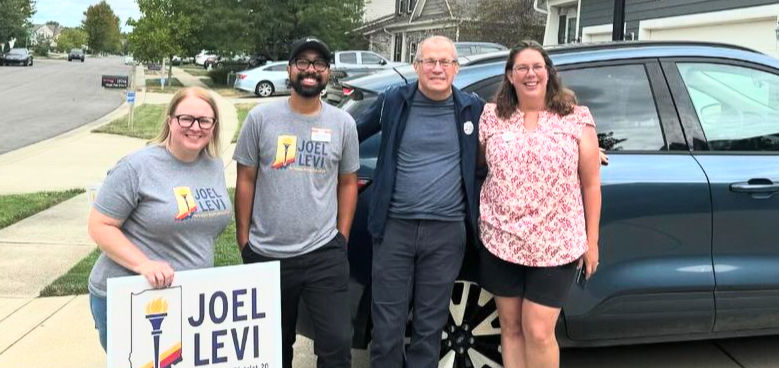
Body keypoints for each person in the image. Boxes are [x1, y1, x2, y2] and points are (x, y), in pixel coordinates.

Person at [356, 35, 484, 368]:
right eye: (430, 61)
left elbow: (520, 133)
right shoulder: (393, 101)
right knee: (386, 330)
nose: (438, 68)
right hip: (394, 228)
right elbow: (350, 132)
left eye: (445, 62)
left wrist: (583, 146)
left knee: (429, 330)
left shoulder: (473, 107)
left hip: (447, 233)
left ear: (456, 68)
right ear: (417, 66)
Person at [233, 36, 360, 368]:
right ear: (289, 69)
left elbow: (348, 182)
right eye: (302, 62)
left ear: (327, 73)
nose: (310, 70)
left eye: (318, 64)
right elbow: (245, 179)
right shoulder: (260, 119)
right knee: (274, 346)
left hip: (324, 254)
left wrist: (341, 236)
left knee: (336, 343)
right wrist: (244, 240)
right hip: (267, 253)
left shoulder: (343, 123)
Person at [477, 40, 601, 368]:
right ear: (510, 76)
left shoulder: (576, 119)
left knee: (539, 329)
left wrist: (592, 242)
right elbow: (477, 163)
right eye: (522, 67)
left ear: (548, 73)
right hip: (500, 238)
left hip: (555, 243)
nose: (530, 73)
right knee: (511, 327)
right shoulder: (491, 117)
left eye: (537, 67)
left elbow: (590, 184)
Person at [87, 86, 232, 351]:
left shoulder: (213, 166)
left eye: (204, 120)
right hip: (132, 294)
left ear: (214, 126)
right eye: (186, 118)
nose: (195, 127)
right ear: (170, 120)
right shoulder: (136, 167)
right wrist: (145, 264)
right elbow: (99, 225)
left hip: (189, 296)